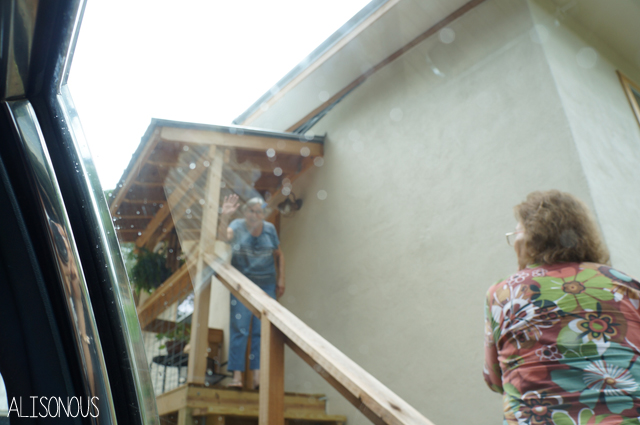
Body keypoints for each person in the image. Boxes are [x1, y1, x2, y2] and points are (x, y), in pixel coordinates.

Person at [484, 190, 640, 424]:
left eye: (516, 234)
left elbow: (494, 379)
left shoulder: (502, 293)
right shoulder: (626, 285)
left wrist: (521, 276)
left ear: (529, 240)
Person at [218, 194, 285, 389]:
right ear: (244, 213)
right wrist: (224, 216)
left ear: (263, 215)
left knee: (261, 330)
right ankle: (237, 378)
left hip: (266, 286)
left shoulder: (270, 230)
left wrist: (281, 279)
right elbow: (222, 238)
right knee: (239, 328)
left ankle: (257, 377)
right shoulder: (237, 226)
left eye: (258, 212)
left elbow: (279, 255)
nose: (254, 215)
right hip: (242, 284)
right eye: (250, 211)